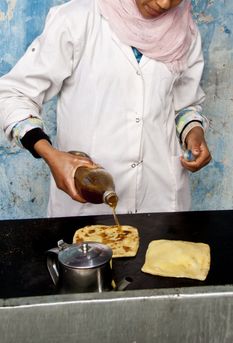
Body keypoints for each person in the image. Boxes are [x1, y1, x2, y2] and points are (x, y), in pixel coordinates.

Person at [0, 0, 211, 218]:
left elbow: (185, 105)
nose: (164, 3)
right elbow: (14, 94)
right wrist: (50, 154)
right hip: (86, 202)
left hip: (161, 202)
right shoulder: (76, 19)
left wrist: (194, 132)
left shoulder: (185, 32)